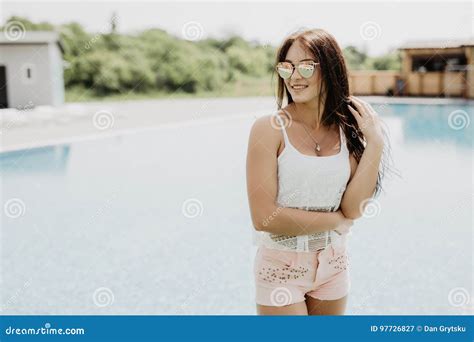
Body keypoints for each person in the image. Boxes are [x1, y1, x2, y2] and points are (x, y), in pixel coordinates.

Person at [246, 28, 388, 315]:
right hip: (281, 267)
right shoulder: (268, 129)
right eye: (287, 67)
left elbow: (353, 207)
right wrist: (334, 220)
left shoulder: (347, 132)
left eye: (306, 66)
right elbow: (264, 217)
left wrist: (375, 142)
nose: (295, 77)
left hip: (334, 264)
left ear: (330, 69)